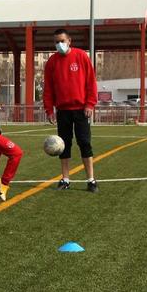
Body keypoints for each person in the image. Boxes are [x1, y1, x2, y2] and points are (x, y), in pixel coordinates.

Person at [43, 28, 99, 193]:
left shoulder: (81, 56)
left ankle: (91, 180)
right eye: (56, 42)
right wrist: (49, 110)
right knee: (63, 146)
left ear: (69, 41)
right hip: (63, 111)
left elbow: (91, 82)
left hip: (81, 109)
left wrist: (90, 104)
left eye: (62, 40)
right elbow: (48, 89)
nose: (59, 44)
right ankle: (65, 179)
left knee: (85, 143)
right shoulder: (52, 62)